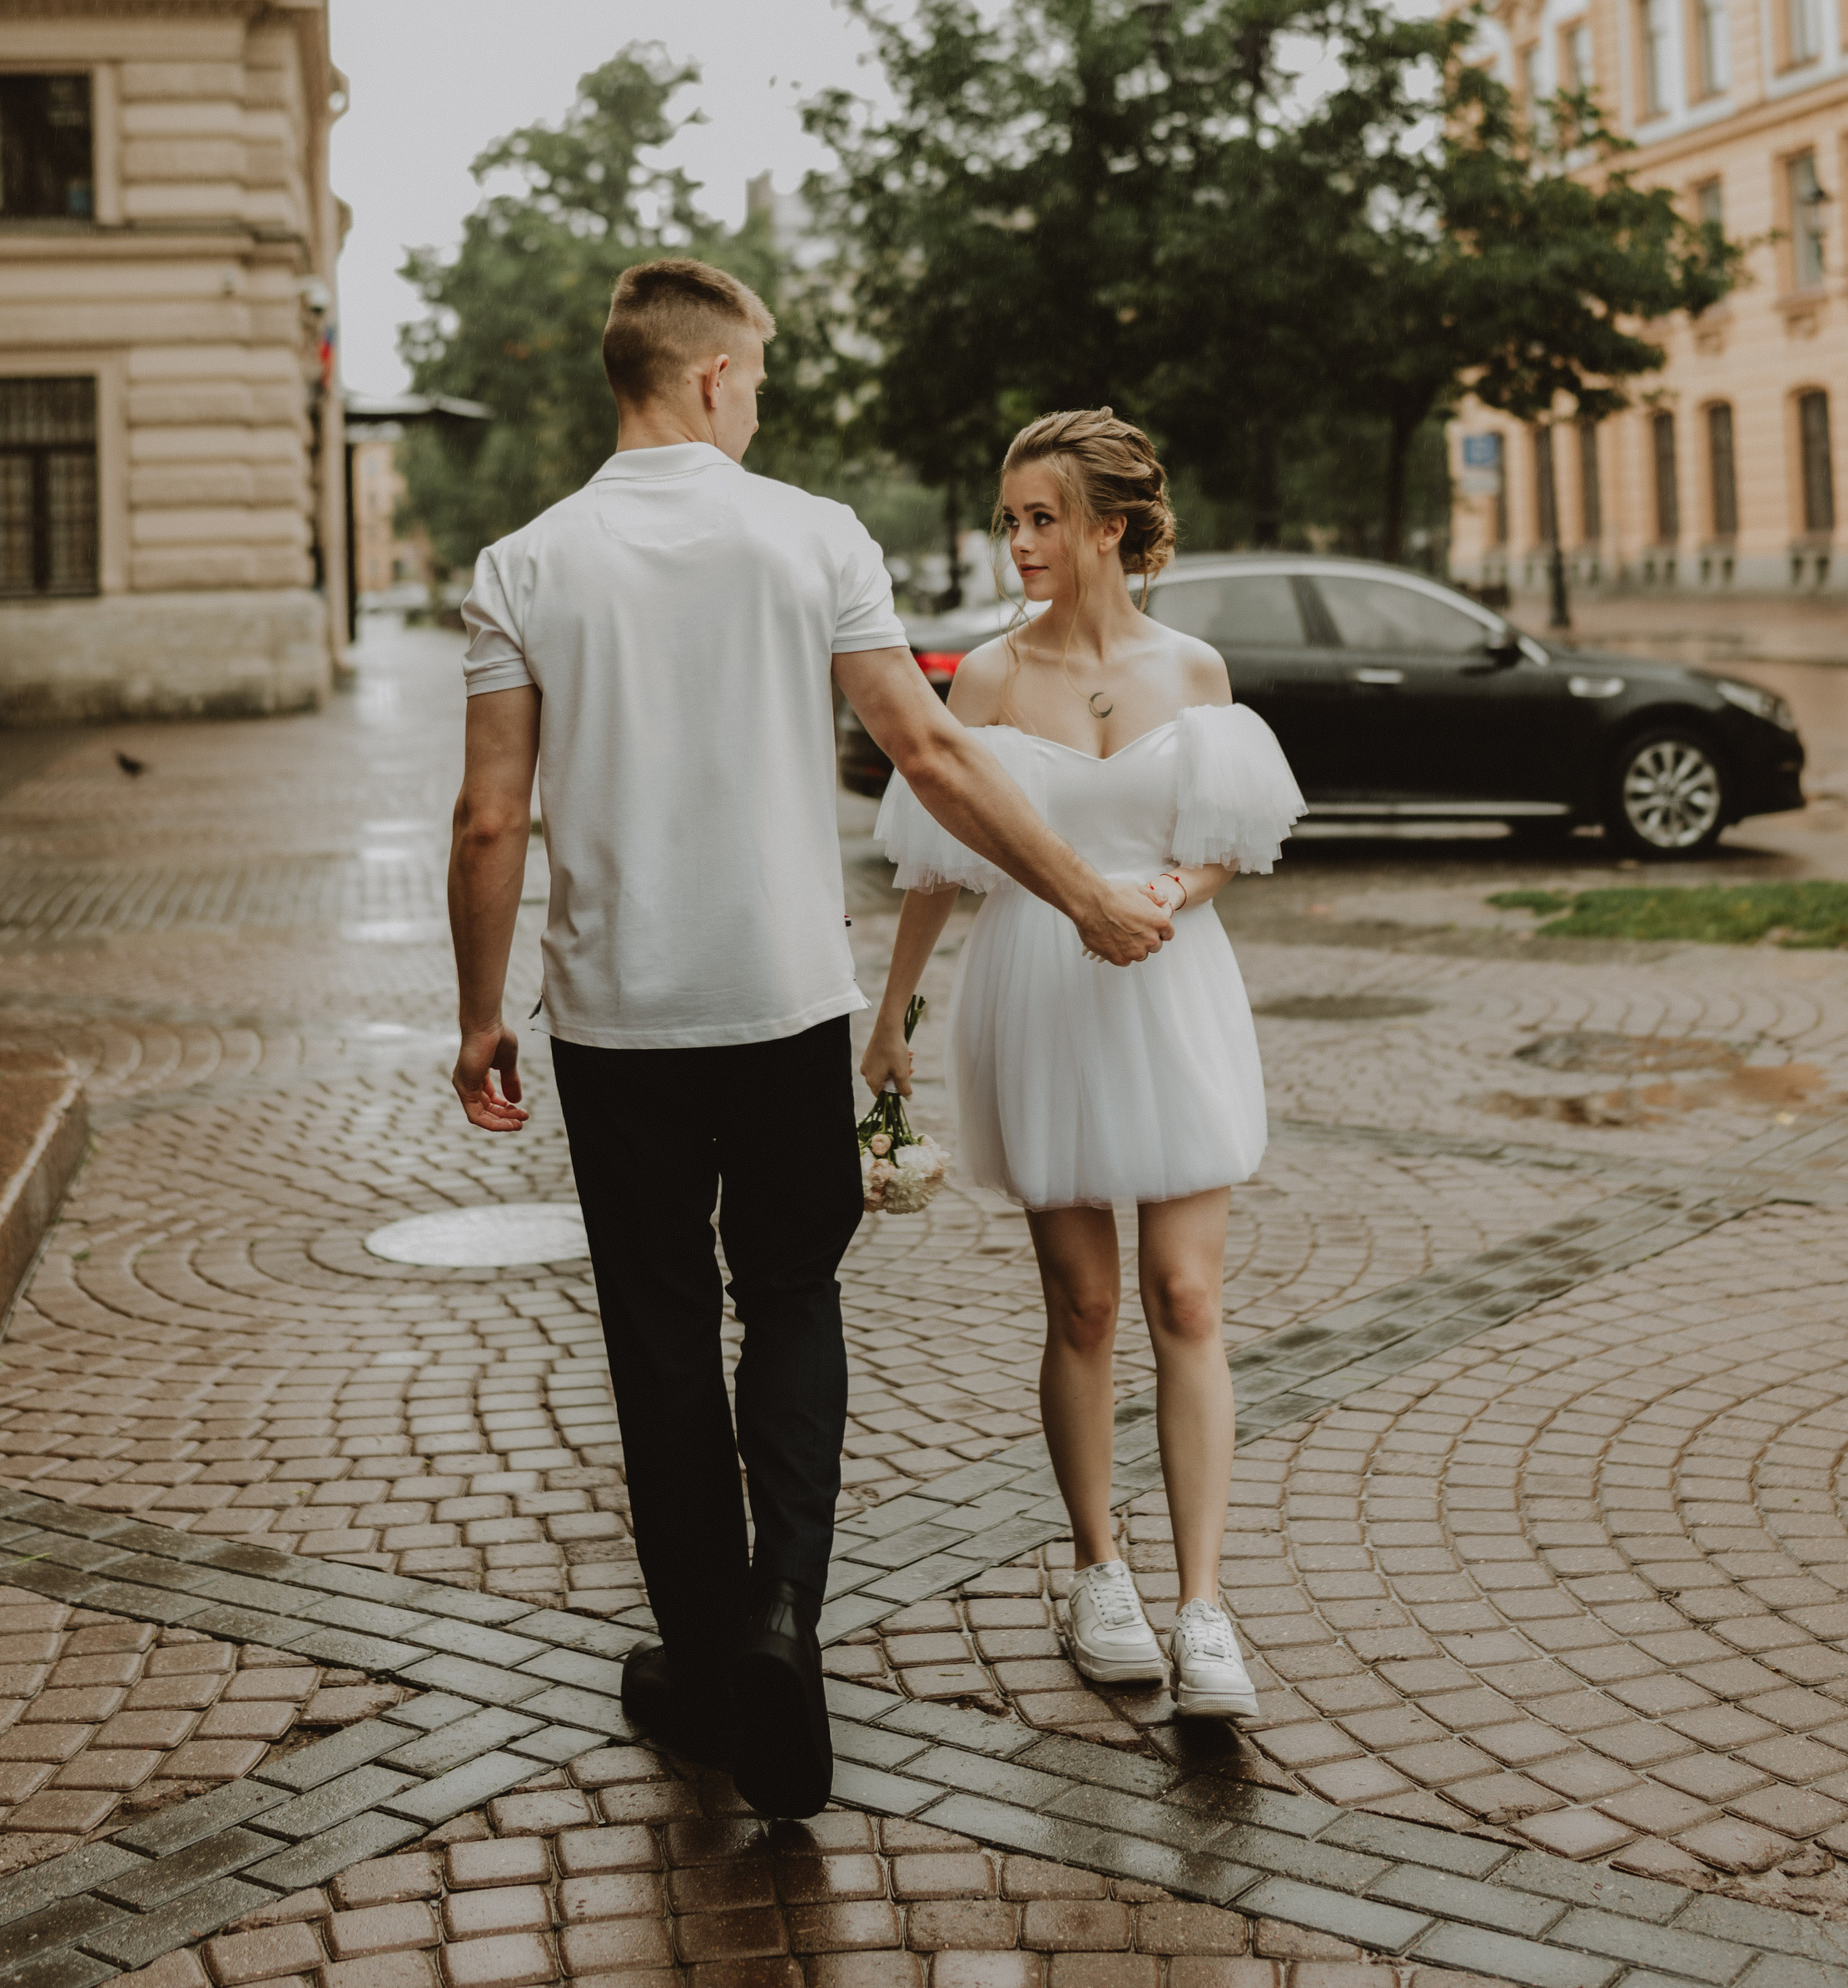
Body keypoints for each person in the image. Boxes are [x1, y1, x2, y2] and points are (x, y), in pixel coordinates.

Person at [443, 263, 1178, 1821]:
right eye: (758, 372)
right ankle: (783, 1624)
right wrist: (1085, 896)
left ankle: (707, 1663)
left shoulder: (522, 565)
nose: (762, 398)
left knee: (654, 1332)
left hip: (619, 1018)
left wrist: (480, 1012)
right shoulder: (813, 534)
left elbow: (489, 814)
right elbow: (927, 748)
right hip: (784, 1005)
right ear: (711, 376)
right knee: (788, 1300)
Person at [861, 408, 1302, 1722]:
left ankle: (1205, 1604)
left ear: (1113, 526)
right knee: (1085, 1307)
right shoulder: (988, 680)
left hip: (1171, 980)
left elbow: (1233, 832)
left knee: (1188, 1298)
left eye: (1042, 518)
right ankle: (1099, 1570)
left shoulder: (1196, 671)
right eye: (1010, 520)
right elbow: (942, 859)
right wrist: (895, 1017)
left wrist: (1174, 885)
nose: (1019, 543)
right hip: (1039, 987)